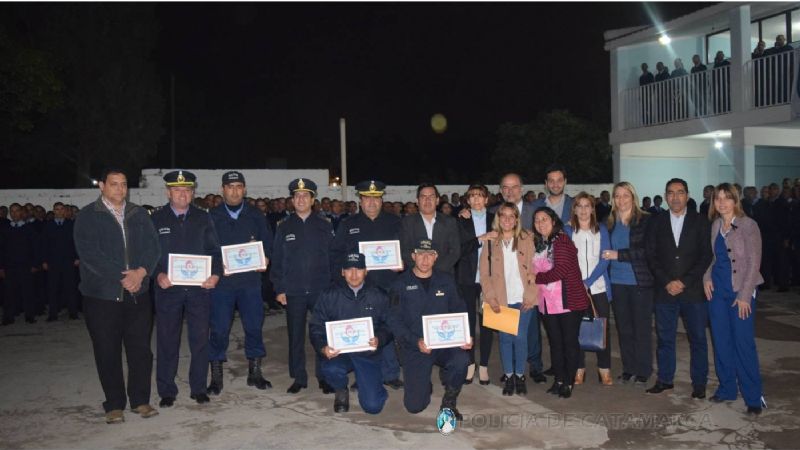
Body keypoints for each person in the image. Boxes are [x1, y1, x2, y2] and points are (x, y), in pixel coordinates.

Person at [73, 168, 161, 424]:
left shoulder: (139, 214)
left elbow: (153, 247)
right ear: (101, 186)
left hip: (137, 295)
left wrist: (142, 272)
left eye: (123, 184)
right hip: (102, 296)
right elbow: (89, 254)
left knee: (140, 351)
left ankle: (140, 400)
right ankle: (114, 404)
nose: (120, 189)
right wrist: (125, 276)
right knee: (106, 350)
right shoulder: (88, 216)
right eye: (114, 184)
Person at [151, 171, 222, 407]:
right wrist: (157, 274)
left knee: (200, 340)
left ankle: (199, 388)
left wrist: (215, 275)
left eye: (187, 190)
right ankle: (167, 390)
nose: (183, 194)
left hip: (198, 290)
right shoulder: (156, 219)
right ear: (168, 192)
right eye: (178, 190)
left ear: (193, 193)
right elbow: (147, 254)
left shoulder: (203, 218)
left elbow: (214, 251)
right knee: (166, 340)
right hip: (168, 289)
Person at [387, 239, 472, 421]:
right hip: (415, 345)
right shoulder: (400, 284)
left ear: (436, 257)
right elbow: (394, 320)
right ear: (413, 256)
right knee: (415, 406)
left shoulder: (447, 281)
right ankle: (424, 382)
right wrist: (414, 341)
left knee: (461, 359)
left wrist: (465, 335)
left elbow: (460, 309)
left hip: (444, 342)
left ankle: (449, 402)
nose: (425, 259)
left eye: (430, 254)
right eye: (421, 254)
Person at [331, 180, 404, 389]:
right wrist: (344, 274)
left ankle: (390, 374)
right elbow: (336, 253)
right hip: (360, 288)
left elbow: (407, 250)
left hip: (389, 285)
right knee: (362, 332)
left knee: (388, 329)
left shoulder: (395, 222)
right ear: (360, 201)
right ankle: (363, 374)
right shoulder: (348, 224)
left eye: (376, 198)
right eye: (366, 198)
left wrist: (403, 264)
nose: (371, 203)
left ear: (381, 200)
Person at [645, 179, 712, 399]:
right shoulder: (656, 222)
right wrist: (667, 281)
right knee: (665, 339)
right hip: (665, 291)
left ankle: (699, 383)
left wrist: (684, 281)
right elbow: (651, 255)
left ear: (687, 195)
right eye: (671, 193)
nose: (675, 197)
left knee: (698, 339)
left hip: (692, 291)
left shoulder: (701, 221)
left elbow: (705, 256)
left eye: (680, 192)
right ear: (665, 196)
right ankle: (665, 379)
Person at [703, 183, 766, 415]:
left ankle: (753, 396)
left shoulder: (749, 225)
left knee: (743, 343)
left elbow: (753, 262)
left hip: (740, 292)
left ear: (735, 200)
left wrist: (744, 295)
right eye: (718, 198)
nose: (721, 202)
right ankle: (727, 388)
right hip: (717, 293)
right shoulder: (716, 225)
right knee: (721, 342)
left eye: (727, 198)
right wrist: (706, 277)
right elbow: (713, 258)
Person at [208, 171, 274, 394]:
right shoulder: (211, 216)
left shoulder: (256, 215)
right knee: (219, 329)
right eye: (230, 187)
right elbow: (206, 248)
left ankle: (255, 372)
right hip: (222, 284)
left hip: (249, 283)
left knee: (254, 327)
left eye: (238, 187)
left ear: (244, 190)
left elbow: (269, 243)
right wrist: (216, 269)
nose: (234, 191)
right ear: (222, 190)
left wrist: (265, 258)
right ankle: (216, 376)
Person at [271, 178, 334, 394]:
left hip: (320, 290)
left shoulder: (324, 226)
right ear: (292, 199)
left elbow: (332, 258)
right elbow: (277, 259)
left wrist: (333, 288)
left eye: (305, 196)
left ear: (313, 199)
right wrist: (279, 289)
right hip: (294, 291)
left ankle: (324, 376)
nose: (300, 199)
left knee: (322, 335)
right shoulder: (284, 226)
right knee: (295, 336)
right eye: (297, 196)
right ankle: (299, 377)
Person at [309, 253, 391, 414]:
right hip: (339, 353)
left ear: (366, 271)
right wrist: (323, 347)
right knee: (331, 369)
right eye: (349, 270)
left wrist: (380, 339)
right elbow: (316, 326)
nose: (354, 275)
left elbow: (390, 324)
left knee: (373, 407)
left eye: (358, 269)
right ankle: (341, 389)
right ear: (342, 272)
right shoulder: (329, 295)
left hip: (367, 353)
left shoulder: (378, 295)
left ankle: (374, 386)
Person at [479, 202, 537, 396]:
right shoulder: (490, 240)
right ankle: (509, 376)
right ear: (498, 218)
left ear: (517, 219)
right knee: (504, 339)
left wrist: (531, 294)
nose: (507, 219)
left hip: (523, 298)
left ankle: (520, 375)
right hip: (500, 300)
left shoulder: (527, 238)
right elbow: (484, 273)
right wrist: (491, 297)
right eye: (503, 215)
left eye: (511, 216)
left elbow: (536, 268)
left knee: (520, 338)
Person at [532, 207, 589, 399]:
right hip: (548, 303)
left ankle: (568, 382)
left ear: (554, 221)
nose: (541, 223)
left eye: (544, 219)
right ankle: (558, 379)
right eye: (537, 220)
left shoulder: (562, 240)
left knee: (569, 343)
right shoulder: (541, 243)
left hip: (568, 302)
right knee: (555, 343)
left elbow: (561, 271)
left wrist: (536, 278)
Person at [602, 181, 654, 386]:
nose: (621, 199)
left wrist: (619, 255)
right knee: (624, 329)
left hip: (639, 282)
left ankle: (643, 369)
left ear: (633, 198)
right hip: (617, 282)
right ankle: (629, 368)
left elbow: (648, 251)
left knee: (641, 328)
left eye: (626, 195)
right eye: (617, 195)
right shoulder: (609, 222)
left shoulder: (645, 220)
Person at [564, 192, 613, 386]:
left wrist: (589, 282)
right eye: (579, 206)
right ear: (574, 209)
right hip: (575, 288)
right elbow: (566, 260)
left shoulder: (601, 229)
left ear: (593, 209)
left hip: (598, 287)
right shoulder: (568, 231)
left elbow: (605, 259)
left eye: (587, 206)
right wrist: (578, 283)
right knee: (576, 329)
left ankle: (604, 369)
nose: (583, 210)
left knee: (603, 330)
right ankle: (579, 369)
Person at [456, 184, 496, 385]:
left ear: (487, 199)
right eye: (472, 196)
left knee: (487, 323)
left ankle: (484, 366)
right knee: (468, 323)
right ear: (468, 200)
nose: (477, 199)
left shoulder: (495, 219)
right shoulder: (461, 220)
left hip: (489, 279)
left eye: (480, 196)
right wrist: (480, 239)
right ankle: (470, 362)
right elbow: (458, 250)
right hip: (467, 279)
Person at [399, 182, 460, 275]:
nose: (427, 200)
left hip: (444, 274)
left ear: (437, 200)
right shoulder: (407, 222)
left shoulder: (450, 222)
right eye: (423, 197)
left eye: (431, 197)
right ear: (417, 201)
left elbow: (455, 252)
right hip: (415, 275)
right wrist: (421, 270)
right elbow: (405, 250)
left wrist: (435, 271)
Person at [0, 203, 40, 325]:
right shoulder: (5, 230)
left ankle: (29, 316)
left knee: (28, 292)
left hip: (26, 266)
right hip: (9, 267)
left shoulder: (29, 229)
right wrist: (1, 267)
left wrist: (34, 264)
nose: (14, 213)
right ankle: (8, 317)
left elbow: (35, 248)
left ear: (21, 213)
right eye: (12, 211)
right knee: (9, 293)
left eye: (16, 211)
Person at [42, 202, 80, 321]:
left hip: (69, 262)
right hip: (53, 262)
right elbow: (44, 245)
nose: (59, 211)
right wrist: (44, 260)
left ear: (65, 211)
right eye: (56, 209)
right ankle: (53, 314)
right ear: (54, 211)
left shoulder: (72, 224)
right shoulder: (48, 226)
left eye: (61, 209)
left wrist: (78, 257)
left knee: (70, 288)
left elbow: (77, 242)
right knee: (53, 289)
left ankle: (73, 313)